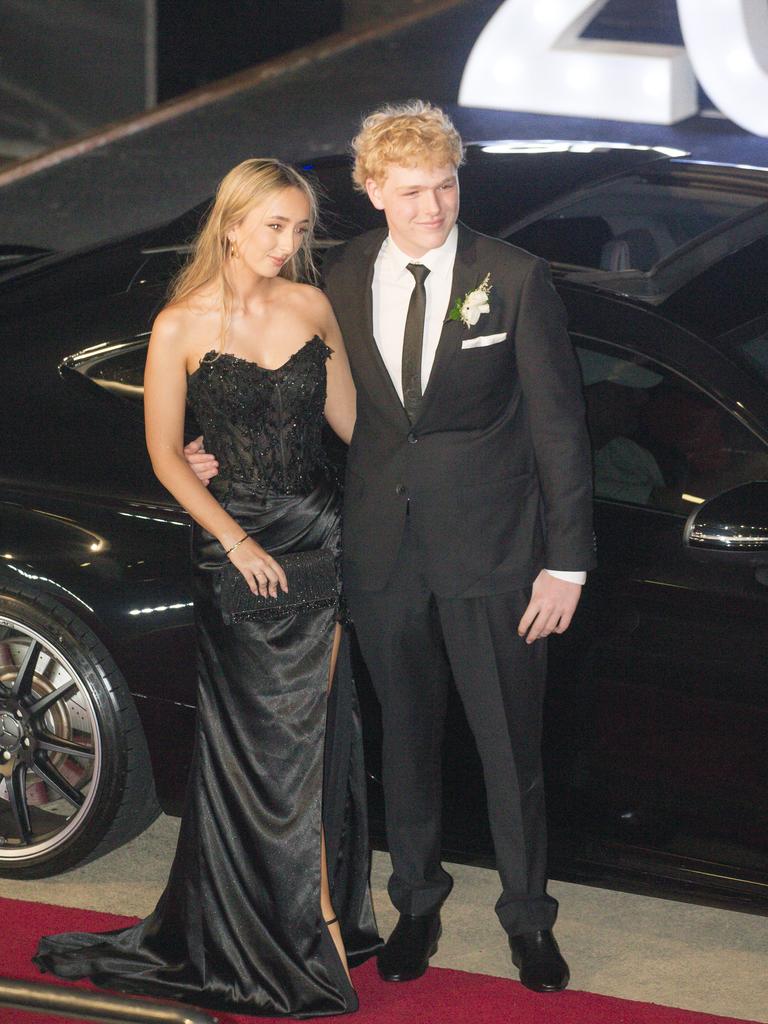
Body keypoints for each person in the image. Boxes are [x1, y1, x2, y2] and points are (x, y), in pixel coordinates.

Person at [187, 103, 595, 994]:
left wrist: (566, 562)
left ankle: (528, 919)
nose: (434, 207)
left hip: (495, 556)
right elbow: (287, 384)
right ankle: (417, 903)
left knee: (507, 748)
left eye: (445, 186)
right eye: (412, 191)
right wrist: (202, 444)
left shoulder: (514, 278)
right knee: (406, 740)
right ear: (373, 191)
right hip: (380, 552)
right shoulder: (339, 275)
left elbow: (561, 431)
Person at [34, 158, 380, 1018]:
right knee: (254, 745)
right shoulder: (179, 323)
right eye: (274, 227)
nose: (289, 244)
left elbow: (356, 429)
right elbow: (163, 455)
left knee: (317, 737)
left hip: (321, 539)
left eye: (300, 230)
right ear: (231, 224)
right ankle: (281, 921)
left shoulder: (310, 307)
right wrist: (233, 537)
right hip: (236, 550)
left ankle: (320, 913)